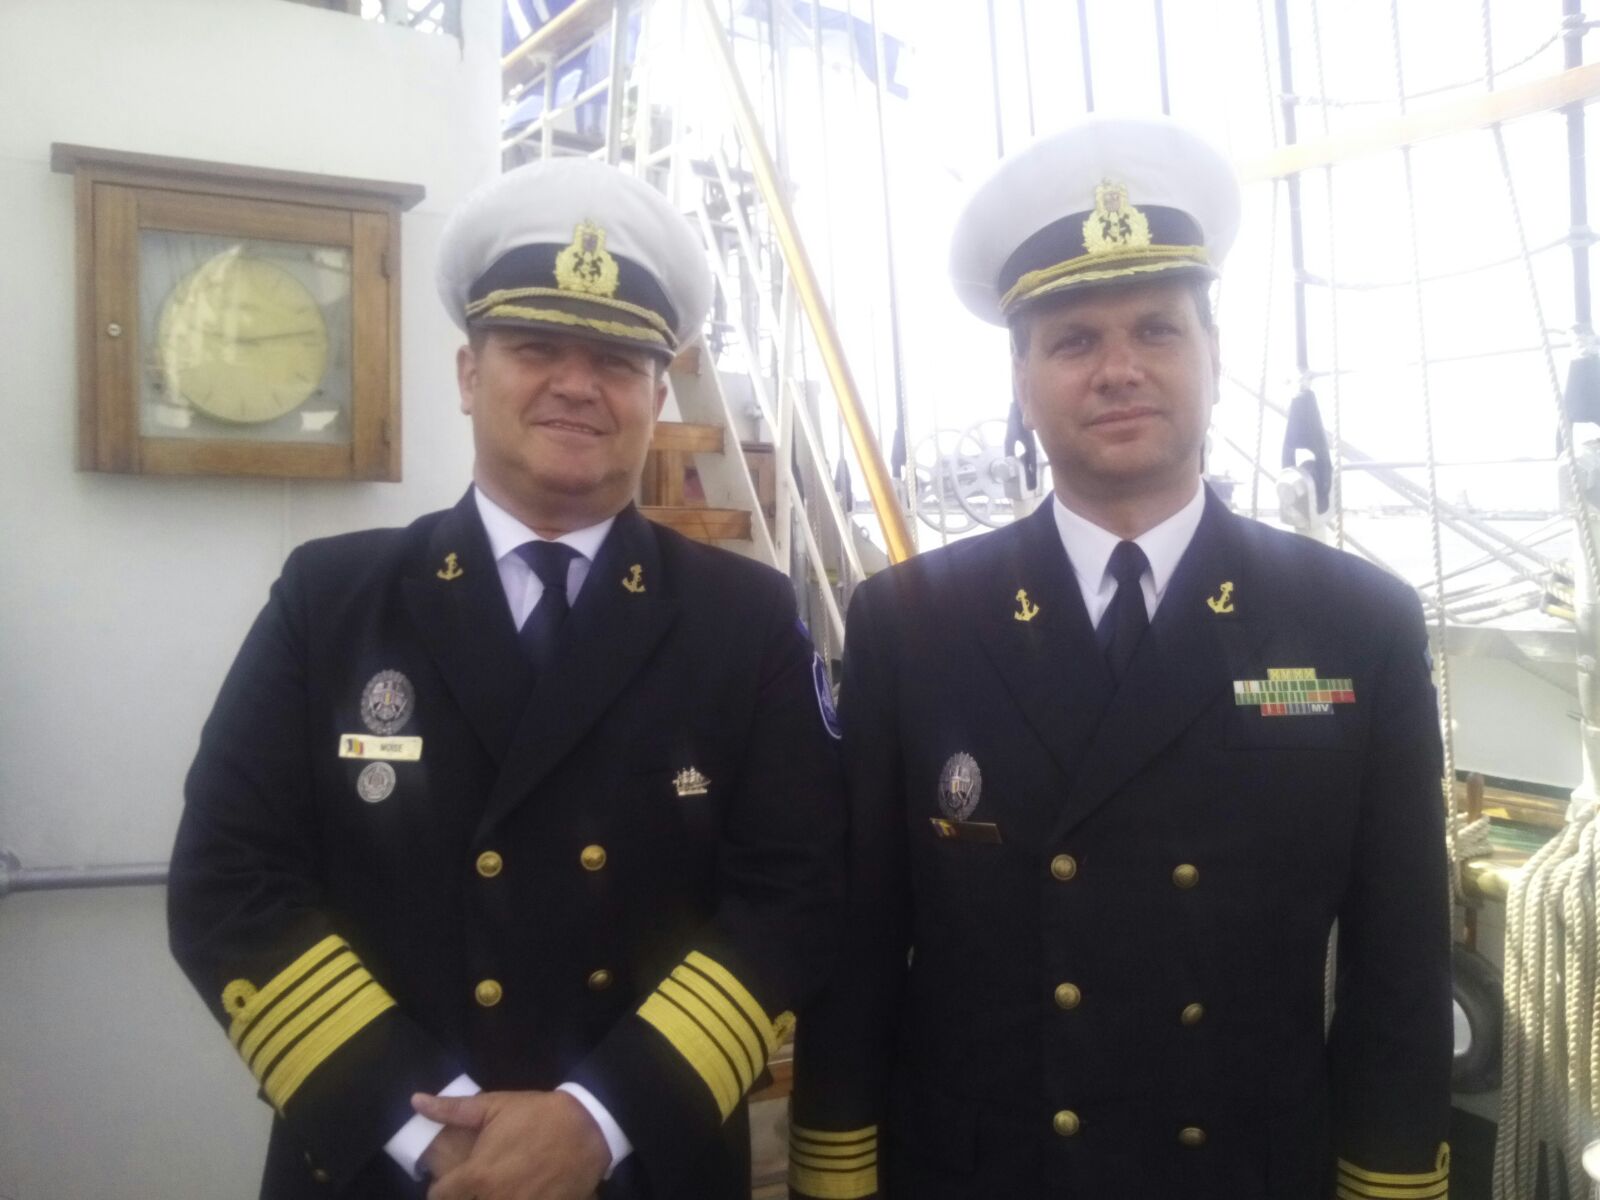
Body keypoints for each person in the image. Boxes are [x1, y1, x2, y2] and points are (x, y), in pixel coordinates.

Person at [787, 116, 1452, 1200]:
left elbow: (1398, 966)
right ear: (1021, 378)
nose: (1119, 370)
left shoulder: (1357, 626)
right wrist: (835, 1169)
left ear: (1213, 354)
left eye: (1156, 329)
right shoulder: (910, 623)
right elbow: (860, 951)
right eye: (1073, 342)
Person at [168, 156, 846, 1200]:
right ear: (466, 374)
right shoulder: (332, 600)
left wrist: (596, 1123)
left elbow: (794, 894)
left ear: (657, 394)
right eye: (535, 348)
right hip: (388, 1163)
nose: (577, 384)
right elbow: (230, 881)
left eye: (618, 360)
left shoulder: (744, 618)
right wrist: (433, 1131)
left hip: (638, 1162)